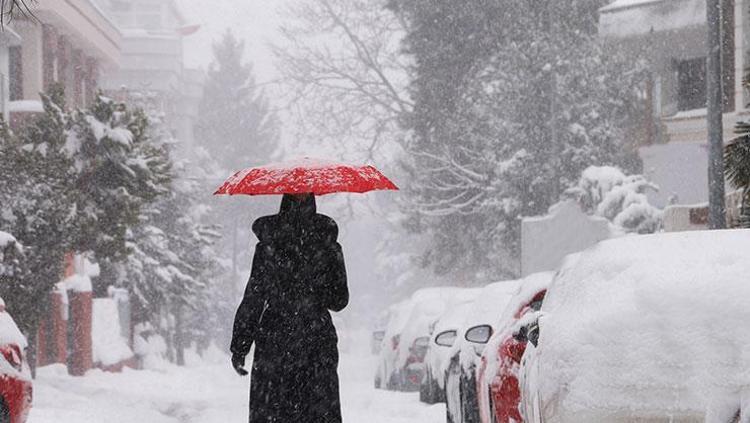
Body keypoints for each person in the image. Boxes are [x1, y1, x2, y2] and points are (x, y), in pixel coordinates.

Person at [230, 193, 349, 423]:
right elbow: (340, 301)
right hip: (316, 340)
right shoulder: (327, 245)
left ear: (284, 202)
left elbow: (254, 297)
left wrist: (240, 346)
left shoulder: (269, 244)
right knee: (317, 412)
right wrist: (317, 287)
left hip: (275, 340)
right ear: (312, 202)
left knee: (273, 411)